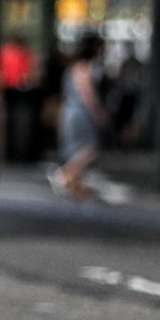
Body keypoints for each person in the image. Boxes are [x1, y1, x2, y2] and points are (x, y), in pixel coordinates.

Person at [49, 34, 111, 201]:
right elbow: (87, 94)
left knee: (79, 149)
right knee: (88, 149)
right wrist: (98, 113)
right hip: (79, 113)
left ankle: (75, 186)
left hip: (73, 111)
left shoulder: (78, 66)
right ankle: (63, 174)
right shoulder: (82, 67)